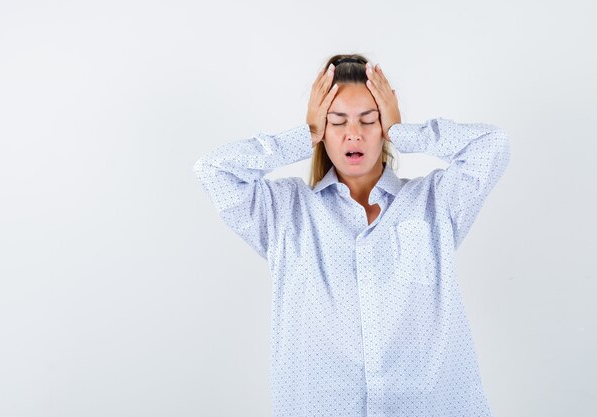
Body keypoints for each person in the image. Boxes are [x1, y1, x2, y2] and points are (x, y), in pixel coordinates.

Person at [193, 53, 511, 417]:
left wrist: (403, 132)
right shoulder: (283, 212)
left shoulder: (435, 202)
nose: (353, 133)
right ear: (321, 129)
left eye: (369, 120)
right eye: (337, 121)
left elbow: (493, 145)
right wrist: (304, 135)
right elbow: (213, 170)